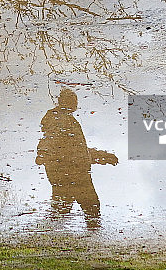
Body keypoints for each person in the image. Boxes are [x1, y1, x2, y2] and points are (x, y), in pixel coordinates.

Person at [36, 88, 117, 228]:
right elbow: (52, 143)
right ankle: (93, 237)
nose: (75, 104)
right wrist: (44, 155)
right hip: (72, 173)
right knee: (90, 206)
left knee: (62, 209)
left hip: (67, 172)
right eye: (73, 101)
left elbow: (77, 150)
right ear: (64, 102)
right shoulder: (60, 120)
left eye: (75, 101)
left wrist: (103, 157)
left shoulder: (64, 119)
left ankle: (50, 237)